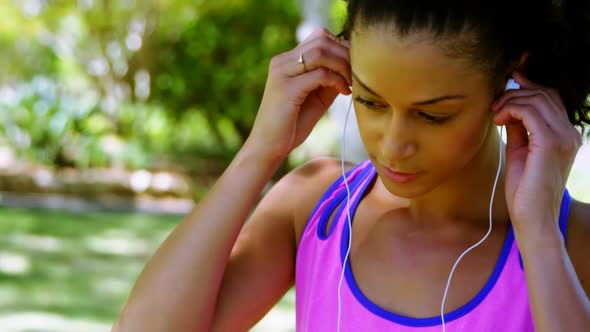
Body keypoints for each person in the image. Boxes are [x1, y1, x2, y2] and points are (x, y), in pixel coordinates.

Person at [113, 0, 590, 331]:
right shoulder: (315, 210)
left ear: (512, 78)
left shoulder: (573, 244)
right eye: (370, 101)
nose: (393, 144)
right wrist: (259, 152)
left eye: (432, 115)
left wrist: (540, 234)